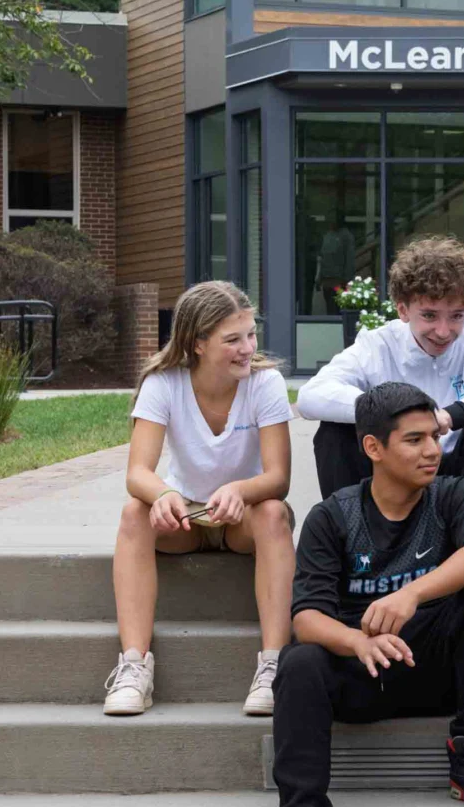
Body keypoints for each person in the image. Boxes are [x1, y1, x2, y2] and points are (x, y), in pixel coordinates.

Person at [274, 382, 464, 807]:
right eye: (414, 440)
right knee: (299, 662)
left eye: (434, 437)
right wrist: (357, 641)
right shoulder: (332, 516)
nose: (432, 451)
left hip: (438, 669)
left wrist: (410, 594)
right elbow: (307, 618)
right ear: (373, 447)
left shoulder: (452, 494)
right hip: (360, 672)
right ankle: (303, 802)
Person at [104, 281, 295, 717]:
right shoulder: (163, 383)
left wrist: (240, 490)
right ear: (198, 343)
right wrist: (166, 494)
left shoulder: (265, 383)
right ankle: (134, 668)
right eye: (233, 339)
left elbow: (278, 478)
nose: (247, 347)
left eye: (251, 334)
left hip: (244, 518)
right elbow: (137, 473)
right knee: (135, 511)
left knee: (272, 514)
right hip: (186, 518)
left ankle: (274, 666)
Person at [296, 236, 464, 526]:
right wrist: (397, 415)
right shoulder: (378, 344)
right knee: (334, 431)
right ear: (402, 310)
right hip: (393, 468)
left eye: (457, 315)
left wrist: (452, 414)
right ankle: (353, 537)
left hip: (460, 471)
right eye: (429, 316)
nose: (444, 331)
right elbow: (311, 397)